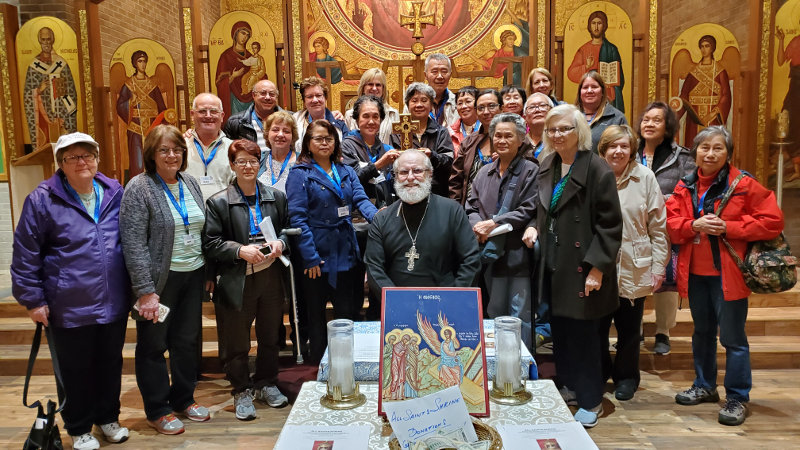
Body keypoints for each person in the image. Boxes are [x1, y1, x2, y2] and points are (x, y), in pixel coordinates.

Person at [11, 133, 129, 450]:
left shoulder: (114, 192)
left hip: (113, 300)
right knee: (76, 369)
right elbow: (25, 254)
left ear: (97, 158)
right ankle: (78, 427)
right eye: (72, 157)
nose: (81, 162)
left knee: (110, 364)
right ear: (60, 164)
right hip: (69, 303)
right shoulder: (42, 200)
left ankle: (108, 418)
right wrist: (33, 300)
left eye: (87, 155)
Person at [667, 126, 783, 426]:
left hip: (728, 275)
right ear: (695, 152)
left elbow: (773, 221)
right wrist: (693, 225)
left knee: (733, 338)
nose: (710, 153)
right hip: (695, 274)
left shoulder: (743, 184)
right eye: (704, 147)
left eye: (717, 148)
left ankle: (737, 397)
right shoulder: (685, 185)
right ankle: (705, 386)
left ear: (728, 153)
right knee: (702, 333)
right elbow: (671, 224)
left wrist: (730, 228)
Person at [532, 104, 622, 428]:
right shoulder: (548, 164)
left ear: (579, 131)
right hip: (555, 265)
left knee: (586, 338)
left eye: (564, 129)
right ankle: (569, 386)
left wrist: (597, 268)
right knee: (562, 333)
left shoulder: (597, 169)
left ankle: (591, 399)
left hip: (584, 268)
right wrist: (533, 227)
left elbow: (610, 226)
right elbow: (543, 211)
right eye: (552, 129)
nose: (557, 135)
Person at [119, 124, 210, 435]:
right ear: (152, 154)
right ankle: (158, 409)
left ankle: (184, 398)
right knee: (153, 345)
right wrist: (145, 291)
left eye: (177, 150)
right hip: (159, 280)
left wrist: (207, 273)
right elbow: (133, 243)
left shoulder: (190, 182)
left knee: (187, 342)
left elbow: (200, 230)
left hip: (192, 274)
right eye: (164, 150)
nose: (172, 155)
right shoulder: (139, 187)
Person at [203, 139, 290, 421]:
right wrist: (239, 250)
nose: (248, 166)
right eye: (241, 161)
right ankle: (241, 389)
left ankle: (266, 383)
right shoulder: (218, 202)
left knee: (270, 335)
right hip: (238, 279)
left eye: (253, 161)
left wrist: (281, 243)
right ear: (232, 165)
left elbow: (288, 230)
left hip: (270, 276)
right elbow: (211, 243)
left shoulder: (275, 197)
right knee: (236, 340)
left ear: (259, 164)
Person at [286, 120, 378, 364]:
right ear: (308, 143)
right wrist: (310, 257)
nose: (324, 143)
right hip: (316, 252)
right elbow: (298, 218)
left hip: (345, 248)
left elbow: (361, 199)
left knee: (347, 310)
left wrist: (379, 218)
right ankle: (319, 363)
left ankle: (347, 362)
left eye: (329, 139)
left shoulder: (345, 169)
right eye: (318, 138)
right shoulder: (299, 173)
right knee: (315, 314)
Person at [597, 125, 669, 401]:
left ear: (632, 150)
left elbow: (658, 227)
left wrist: (658, 267)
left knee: (629, 329)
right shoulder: (594, 175)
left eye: (624, 146)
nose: (618, 151)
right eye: (612, 146)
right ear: (603, 150)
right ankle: (600, 372)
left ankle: (627, 377)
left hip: (633, 264)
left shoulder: (645, 177)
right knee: (597, 328)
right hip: (599, 265)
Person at [466, 113, 539, 350]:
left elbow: (529, 208)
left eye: (509, 135)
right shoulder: (484, 172)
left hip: (517, 253)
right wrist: (478, 226)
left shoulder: (530, 170)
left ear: (521, 140)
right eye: (498, 135)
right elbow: (471, 206)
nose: (502, 140)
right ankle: (497, 361)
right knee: (494, 310)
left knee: (519, 314)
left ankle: (521, 364)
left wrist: (494, 223)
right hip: (488, 252)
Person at [365, 150, 481, 297]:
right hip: (397, 303)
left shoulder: (453, 211)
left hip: (444, 302)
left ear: (430, 174)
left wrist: (452, 299)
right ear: (396, 177)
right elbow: (374, 268)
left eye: (417, 171)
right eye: (403, 172)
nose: (410, 177)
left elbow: (471, 260)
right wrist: (396, 301)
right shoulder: (382, 219)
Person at [636, 101, 695, 355]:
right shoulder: (629, 151)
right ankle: (635, 329)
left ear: (668, 126)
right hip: (634, 227)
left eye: (656, 120)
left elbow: (689, 191)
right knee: (633, 277)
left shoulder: (682, 156)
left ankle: (663, 331)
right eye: (646, 119)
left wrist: (666, 199)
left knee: (666, 280)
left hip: (666, 226)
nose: (649, 124)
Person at [342, 96, 401, 319]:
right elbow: (350, 180)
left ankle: (378, 319)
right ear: (357, 120)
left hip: (383, 221)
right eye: (365, 116)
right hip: (356, 222)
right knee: (354, 279)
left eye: (375, 116)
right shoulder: (346, 146)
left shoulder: (386, 147)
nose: (371, 121)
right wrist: (378, 165)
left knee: (380, 273)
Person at [390, 82, 454, 198]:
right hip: (406, 193)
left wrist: (432, 156)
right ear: (407, 105)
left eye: (424, 100)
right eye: (414, 101)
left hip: (437, 193)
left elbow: (449, 164)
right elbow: (392, 168)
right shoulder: (397, 132)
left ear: (431, 105)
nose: (419, 105)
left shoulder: (441, 132)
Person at [116, 50, 170, 179]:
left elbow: (162, 108)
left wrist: (164, 120)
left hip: (152, 127)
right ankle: (137, 184)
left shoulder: (152, 85)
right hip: (135, 128)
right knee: (137, 161)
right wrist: (131, 101)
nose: (143, 64)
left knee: (154, 158)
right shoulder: (129, 85)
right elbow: (120, 106)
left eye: (144, 61)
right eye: (140, 61)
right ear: (135, 64)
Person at [23, 27, 78, 151]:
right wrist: (38, 90)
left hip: (60, 115)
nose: (46, 43)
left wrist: (61, 91)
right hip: (43, 118)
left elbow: (71, 91)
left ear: (52, 40)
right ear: (39, 41)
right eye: (43, 40)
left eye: (48, 39)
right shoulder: (34, 66)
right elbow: (27, 95)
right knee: (47, 150)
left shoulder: (61, 64)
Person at [675, 35, 732, 148]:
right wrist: (674, 117)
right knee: (693, 147)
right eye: (702, 46)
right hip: (694, 117)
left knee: (712, 145)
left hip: (712, 117)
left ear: (712, 48)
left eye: (707, 46)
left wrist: (713, 113)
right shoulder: (693, 72)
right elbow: (684, 96)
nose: (704, 49)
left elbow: (726, 95)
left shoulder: (720, 71)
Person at [449, 89, 503, 206]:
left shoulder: (516, 139)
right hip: (471, 207)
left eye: (491, 106)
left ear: (501, 108)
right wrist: (456, 209)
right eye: (481, 108)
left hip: (504, 206)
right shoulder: (468, 142)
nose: (486, 112)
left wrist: (509, 160)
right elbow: (456, 181)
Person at [567, 10, 625, 113]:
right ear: (589, 26)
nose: (596, 27)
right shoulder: (584, 50)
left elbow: (620, 78)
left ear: (604, 26)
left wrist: (612, 82)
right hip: (588, 99)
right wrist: (586, 67)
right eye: (593, 23)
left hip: (608, 98)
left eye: (599, 23)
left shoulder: (612, 49)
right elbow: (571, 73)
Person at [185, 93, 234, 200]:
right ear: (192, 115)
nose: (208, 116)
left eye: (214, 111)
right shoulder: (180, 147)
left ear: (222, 116)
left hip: (224, 210)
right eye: (202, 111)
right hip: (188, 210)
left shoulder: (233, 148)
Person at [215, 21, 266, 118]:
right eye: (242, 33)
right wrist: (233, 76)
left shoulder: (251, 56)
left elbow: (262, 74)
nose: (245, 37)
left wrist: (258, 77)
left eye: (247, 35)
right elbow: (219, 82)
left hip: (250, 97)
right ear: (235, 33)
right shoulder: (226, 56)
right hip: (234, 98)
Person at [224, 80, 285, 153]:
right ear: (253, 95)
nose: (268, 97)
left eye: (272, 94)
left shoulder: (291, 119)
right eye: (263, 93)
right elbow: (230, 153)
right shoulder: (235, 122)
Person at [344, 68, 400, 144]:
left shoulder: (393, 114)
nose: (374, 88)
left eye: (378, 85)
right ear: (363, 88)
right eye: (370, 84)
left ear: (383, 89)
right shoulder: (350, 115)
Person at [576, 70, 627, 153]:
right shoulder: (570, 116)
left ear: (602, 91)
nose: (589, 91)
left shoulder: (617, 118)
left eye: (594, 87)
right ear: (580, 92)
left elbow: (626, 147)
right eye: (585, 87)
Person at [294, 76, 349, 151]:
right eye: (309, 97)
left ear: (325, 98)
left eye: (318, 95)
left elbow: (347, 151)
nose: (315, 100)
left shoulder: (338, 122)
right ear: (304, 101)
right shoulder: (295, 121)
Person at [776, 24, 800, 180]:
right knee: (788, 119)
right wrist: (781, 40)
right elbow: (780, 61)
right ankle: (796, 167)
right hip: (796, 87)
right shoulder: (796, 41)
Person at [257, 110, 299, 193]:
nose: (280, 135)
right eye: (275, 130)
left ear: (292, 136)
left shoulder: (303, 161)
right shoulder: (258, 159)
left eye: (286, 131)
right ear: (267, 133)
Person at [424, 53, 458, 128]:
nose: (440, 76)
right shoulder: (414, 103)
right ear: (425, 75)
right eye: (434, 71)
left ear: (450, 75)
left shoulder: (457, 103)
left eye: (444, 71)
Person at [449, 86, 480, 157]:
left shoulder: (487, 128)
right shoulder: (450, 132)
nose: (463, 106)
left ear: (478, 103)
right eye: (460, 103)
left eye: (468, 101)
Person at [523, 93, 554, 162]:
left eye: (542, 105)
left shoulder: (559, 140)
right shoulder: (519, 144)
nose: (537, 110)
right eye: (531, 107)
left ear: (552, 112)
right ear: (525, 118)